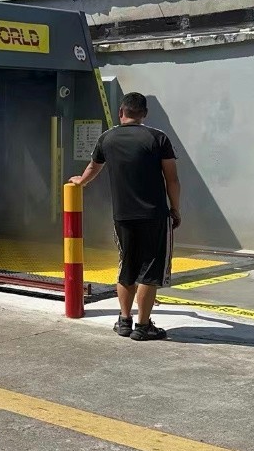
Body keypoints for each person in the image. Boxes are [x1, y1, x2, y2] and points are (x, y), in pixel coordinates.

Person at [68, 93, 181, 341]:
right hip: (154, 216)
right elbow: (171, 179)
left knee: (127, 267)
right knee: (150, 270)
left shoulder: (107, 138)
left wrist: (81, 182)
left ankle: (124, 320)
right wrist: (175, 208)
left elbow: (93, 167)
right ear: (144, 114)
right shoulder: (158, 138)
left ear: (121, 112)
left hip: (123, 216)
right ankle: (143, 326)